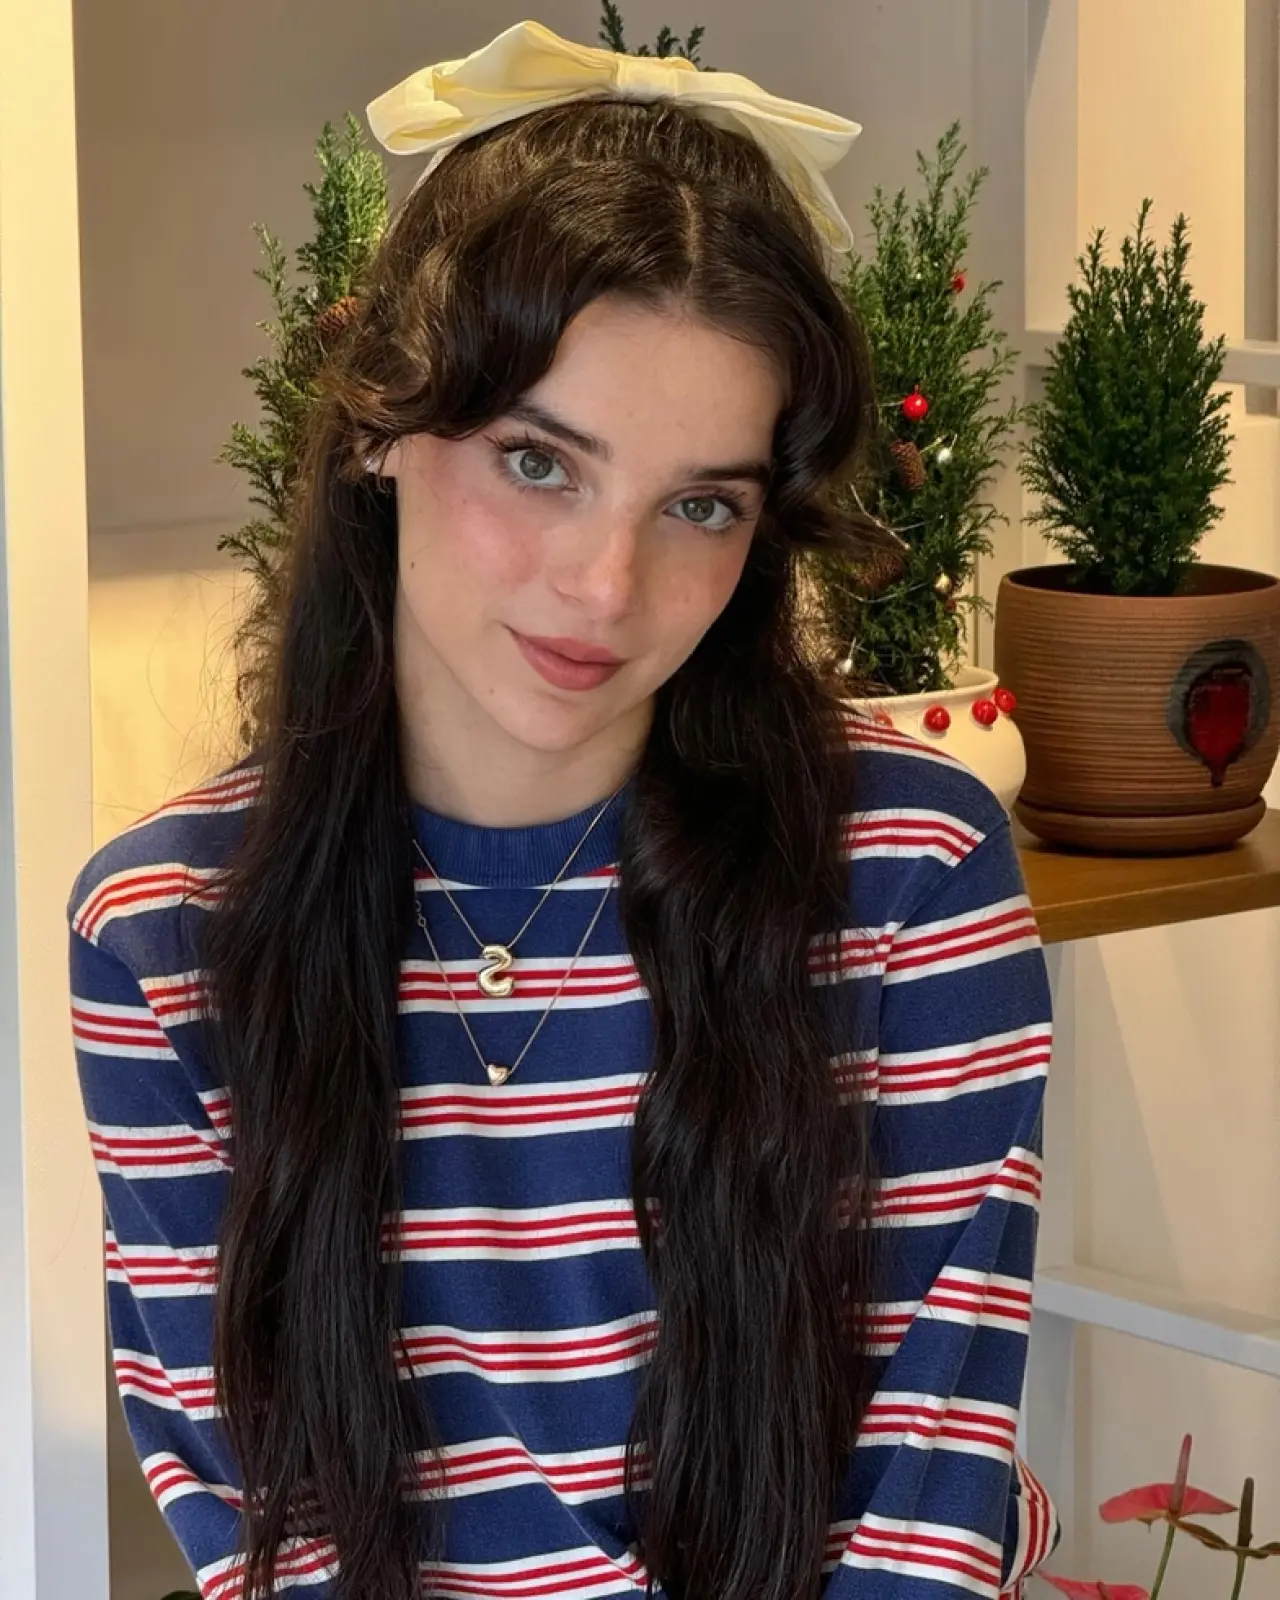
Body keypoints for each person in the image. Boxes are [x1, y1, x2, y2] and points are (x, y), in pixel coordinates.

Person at [67, 19, 1058, 1600]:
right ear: (383, 423)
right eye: (539, 463)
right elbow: (259, 1511)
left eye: (701, 504)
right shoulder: (166, 934)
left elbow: (929, 1494)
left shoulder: (908, 873)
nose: (608, 586)